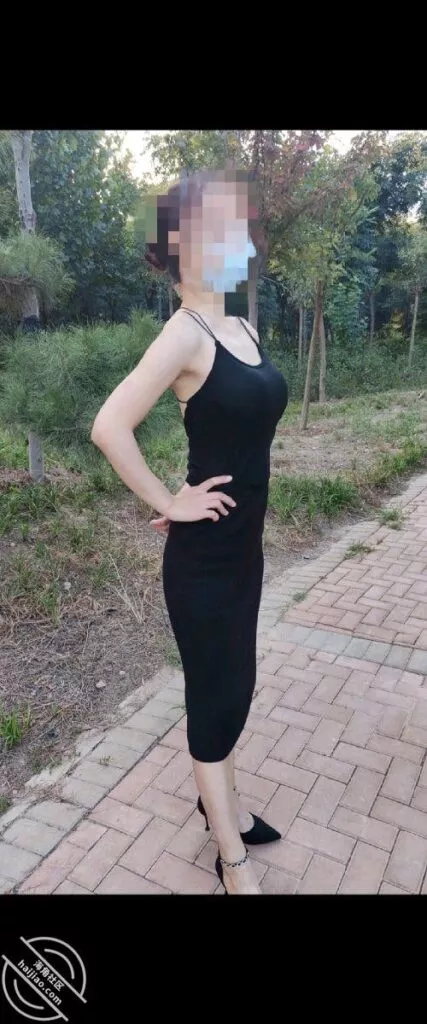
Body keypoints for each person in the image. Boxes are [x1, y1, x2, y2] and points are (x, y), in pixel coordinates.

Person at [91, 168, 288, 894]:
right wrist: (169, 501)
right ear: (181, 246)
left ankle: (222, 809)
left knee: (237, 687)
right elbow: (109, 426)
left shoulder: (242, 327)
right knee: (216, 695)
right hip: (203, 559)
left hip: (243, 550)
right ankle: (231, 859)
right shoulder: (184, 334)